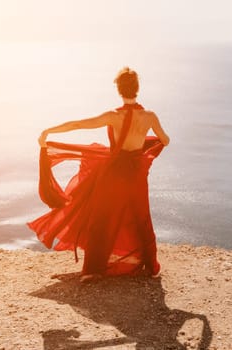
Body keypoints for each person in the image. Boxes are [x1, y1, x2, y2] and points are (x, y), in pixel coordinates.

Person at [28, 67, 170, 282]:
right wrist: (144, 141)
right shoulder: (150, 116)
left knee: (102, 219)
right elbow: (166, 140)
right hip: (137, 176)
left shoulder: (113, 116)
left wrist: (49, 131)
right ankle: (151, 266)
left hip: (115, 174)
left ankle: (94, 269)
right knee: (141, 218)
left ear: (119, 90)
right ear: (137, 89)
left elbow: (78, 124)